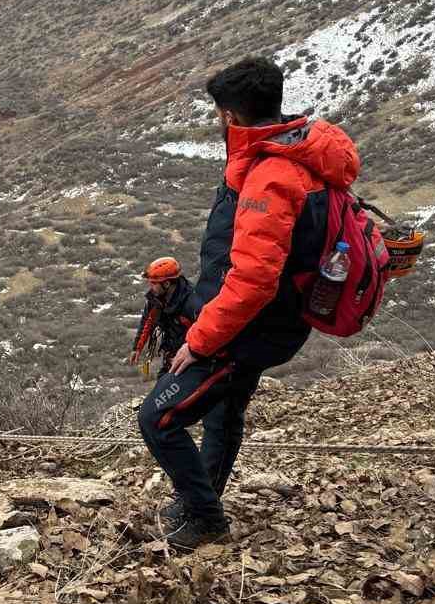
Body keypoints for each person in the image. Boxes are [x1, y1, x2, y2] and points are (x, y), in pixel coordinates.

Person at [137, 57, 360, 552]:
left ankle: (204, 518)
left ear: (229, 116)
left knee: (157, 419)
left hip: (245, 328)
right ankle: (202, 497)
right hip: (272, 320)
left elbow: (255, 279)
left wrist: (199, 340)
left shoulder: (271, 175)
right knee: (224, 411)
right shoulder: (295, 154)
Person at [131, 258, 197, 375]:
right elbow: (147, 321)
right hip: (171, 360)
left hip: (191, 363)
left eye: (153, 283)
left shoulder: (192, 302)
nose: (150, 287)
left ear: (166, 284)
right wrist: (137, 348)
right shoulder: (156, 299)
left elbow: (205, 333)